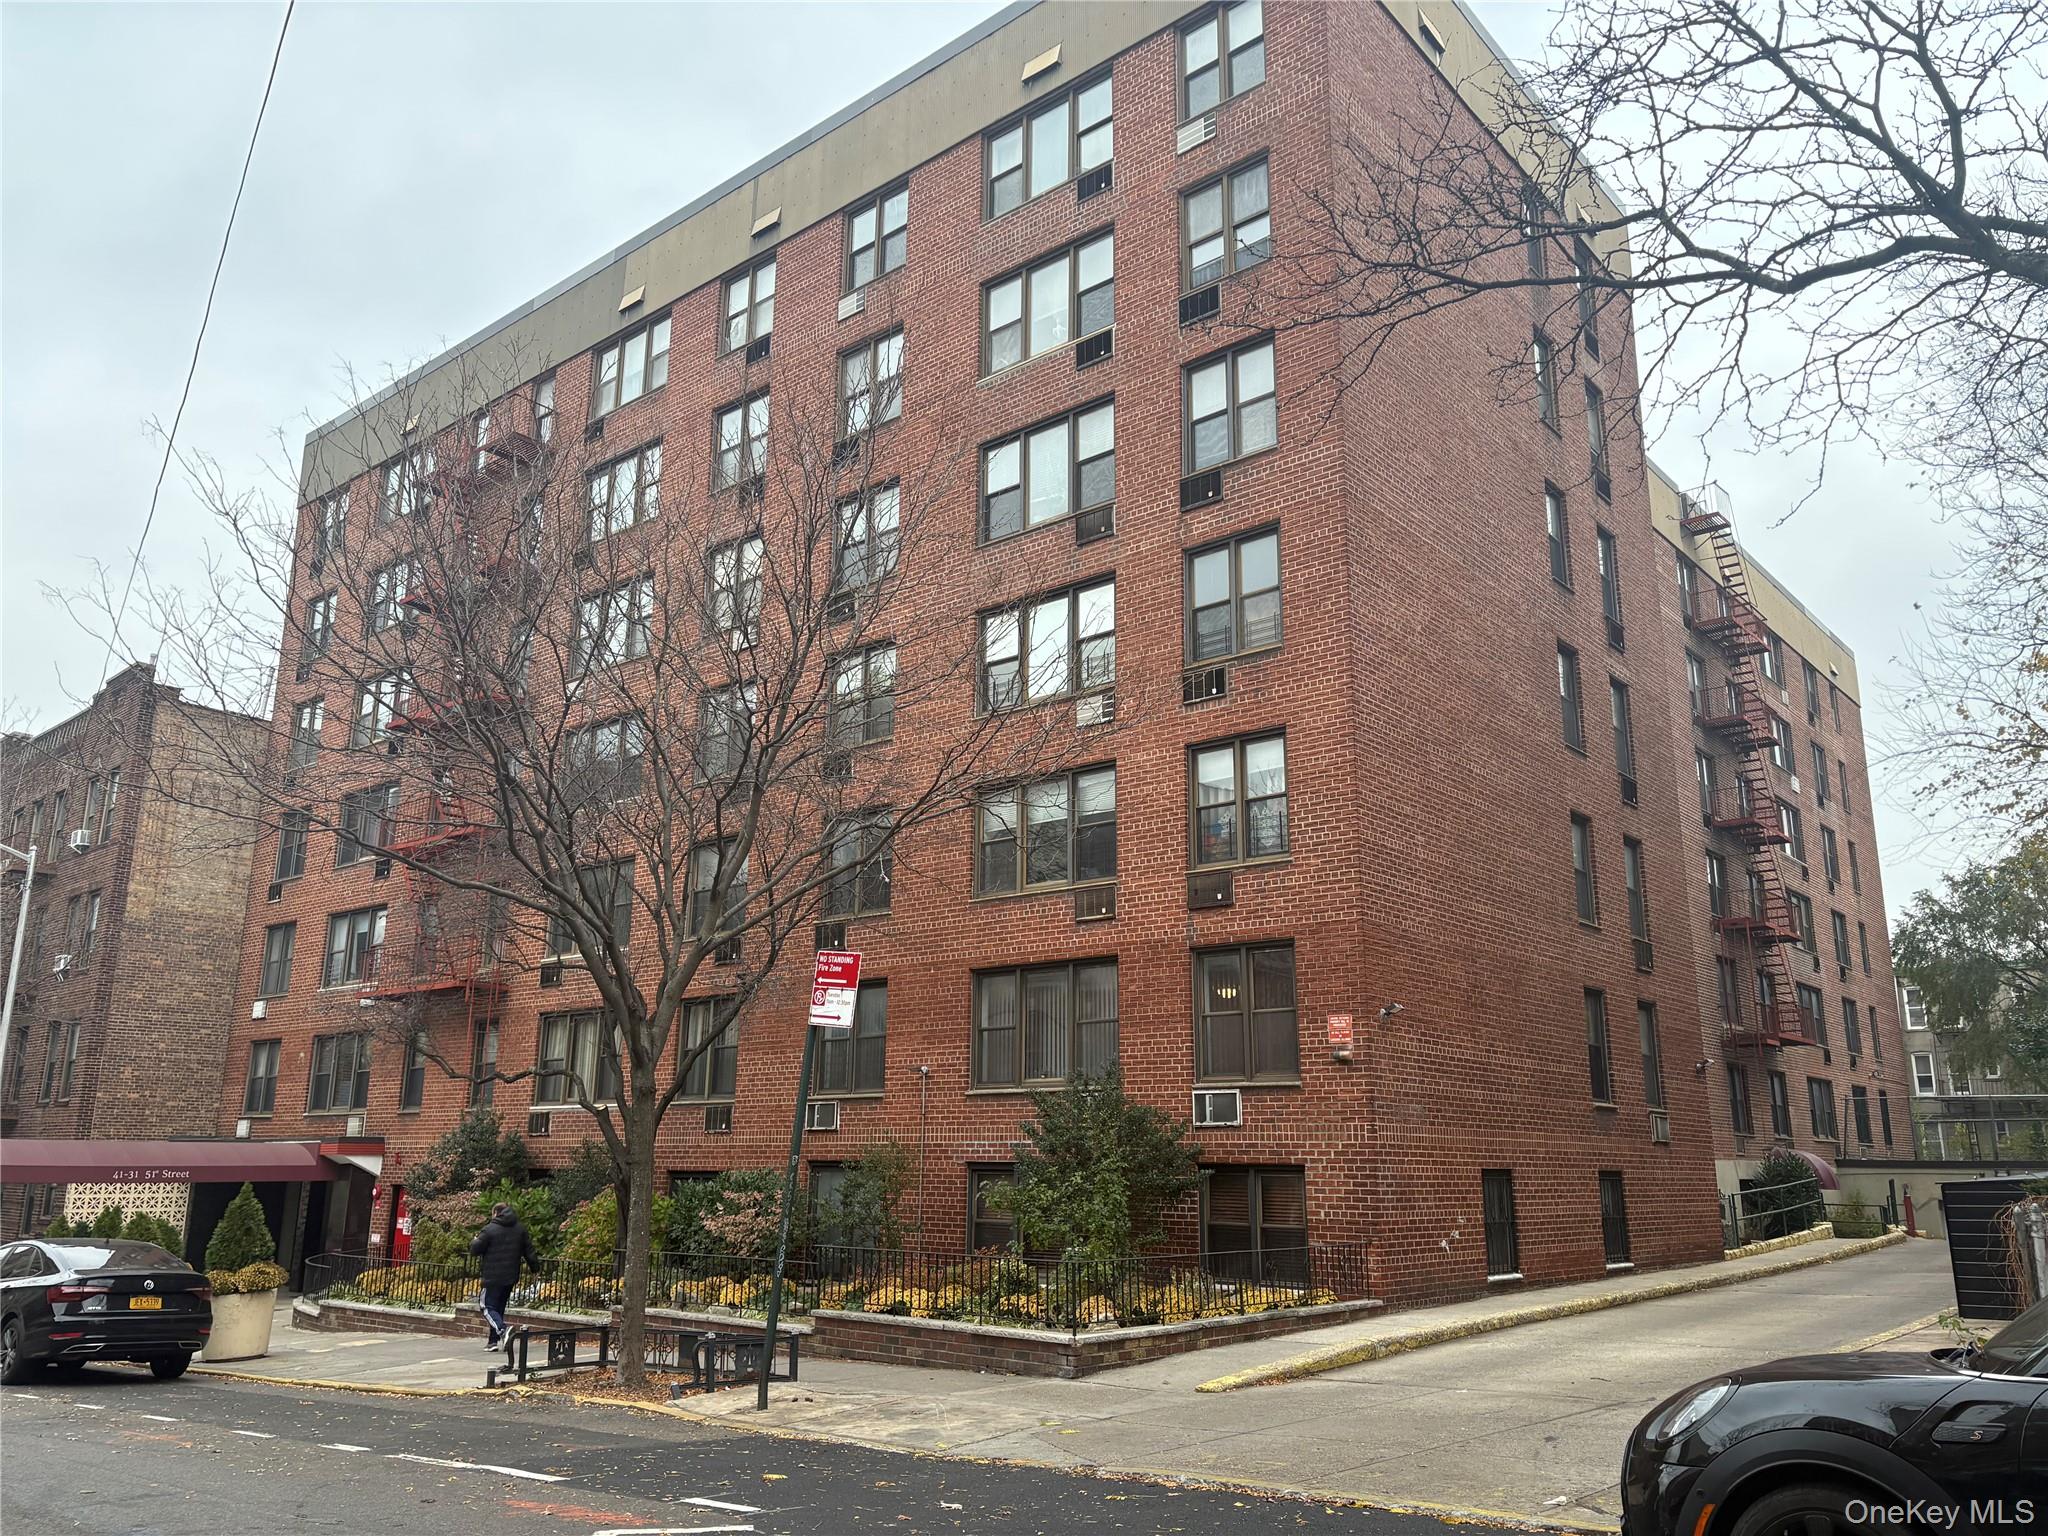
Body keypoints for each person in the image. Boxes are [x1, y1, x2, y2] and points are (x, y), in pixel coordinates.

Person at [469, 1201, 539, 1349]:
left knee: (486, 1307)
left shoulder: (489, 1229)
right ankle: (492, 1342)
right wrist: (535, 1269)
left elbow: (475, 1250)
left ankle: (503, 1330)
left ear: (496, 1213)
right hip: (510, 1276)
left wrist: (475, 1240)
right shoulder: (520, 1229)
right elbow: (529, 1251)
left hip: (492, 1277)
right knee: (498, 1308)